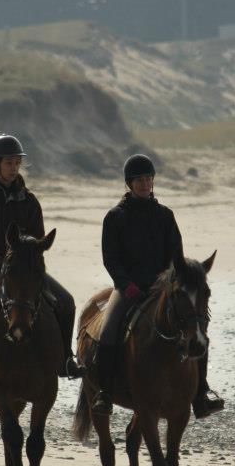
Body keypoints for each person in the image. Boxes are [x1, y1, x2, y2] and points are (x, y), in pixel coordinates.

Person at [0, 134, 84, 392]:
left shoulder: (30, 201)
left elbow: (37, 239)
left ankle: (65, 359)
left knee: (66, 302)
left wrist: (24, 259)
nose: (13, 168)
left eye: (16, 163)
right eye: (9, 163)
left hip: (23, 272)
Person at [92, 154, 224, 419]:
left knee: (197, 329)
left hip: (162, 287)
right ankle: (104, 393)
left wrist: (172, 282)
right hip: (128, 288)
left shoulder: (165, 215)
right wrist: (126, 286)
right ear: (129, 183)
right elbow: (111, 259)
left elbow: (176, 257)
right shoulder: (115, 217)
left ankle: (201, 392)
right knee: (108, 330)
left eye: (148, 179)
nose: (145, 184)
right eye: (139, 180)